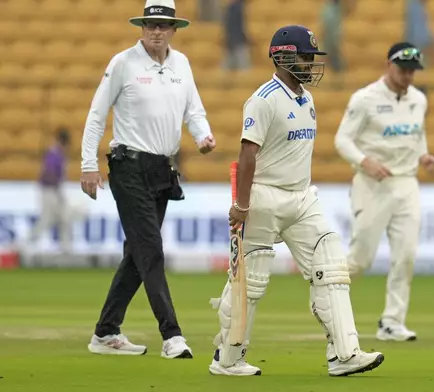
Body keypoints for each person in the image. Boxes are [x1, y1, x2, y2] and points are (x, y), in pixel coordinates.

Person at [208, 24, 385, 377]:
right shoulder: (263, 99)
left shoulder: (307, 98)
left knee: (332, 265)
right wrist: (242, 206)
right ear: (284, 57)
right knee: (252, 281)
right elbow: (247, 155)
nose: (311, 64)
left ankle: (345, 355)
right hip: (263, 198)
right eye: (305, 57)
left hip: (303, 197)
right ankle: (227, 359)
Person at [80, 0, 216, 359]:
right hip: (127, 166)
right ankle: (172, 335)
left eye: (163, 25)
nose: (156, 31)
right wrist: (87, 164)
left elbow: (194, 111)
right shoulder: (123, 63)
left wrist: (203, 135)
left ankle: (106, 332)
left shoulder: (182, 64)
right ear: (142, 27)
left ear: (174, 29)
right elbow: (97, 114)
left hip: (161, 169)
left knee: (137, 253)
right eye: (150, 25)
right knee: (151, 250)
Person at [334, 42, 434, 342]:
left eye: (412, 71)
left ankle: (392, 321)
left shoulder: (419, 99)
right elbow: (342, 140)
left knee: (406, 255)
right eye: (403, 69)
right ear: (388, 65)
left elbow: (416, 135)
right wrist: (366, 162)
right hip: (372, 185)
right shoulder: (365, 99)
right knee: (360, 258)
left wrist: (424, 155)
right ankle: (326, 295)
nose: (408, 75)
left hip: (407, 183)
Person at [25, 127, 76, 254]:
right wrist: (56, 184)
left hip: (55, 190)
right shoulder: (54, 153)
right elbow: (48, 173)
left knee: (64, 218)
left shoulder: (58, 153)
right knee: (47, 220)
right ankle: (27, 242)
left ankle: (66, 248)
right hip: (49, 190)